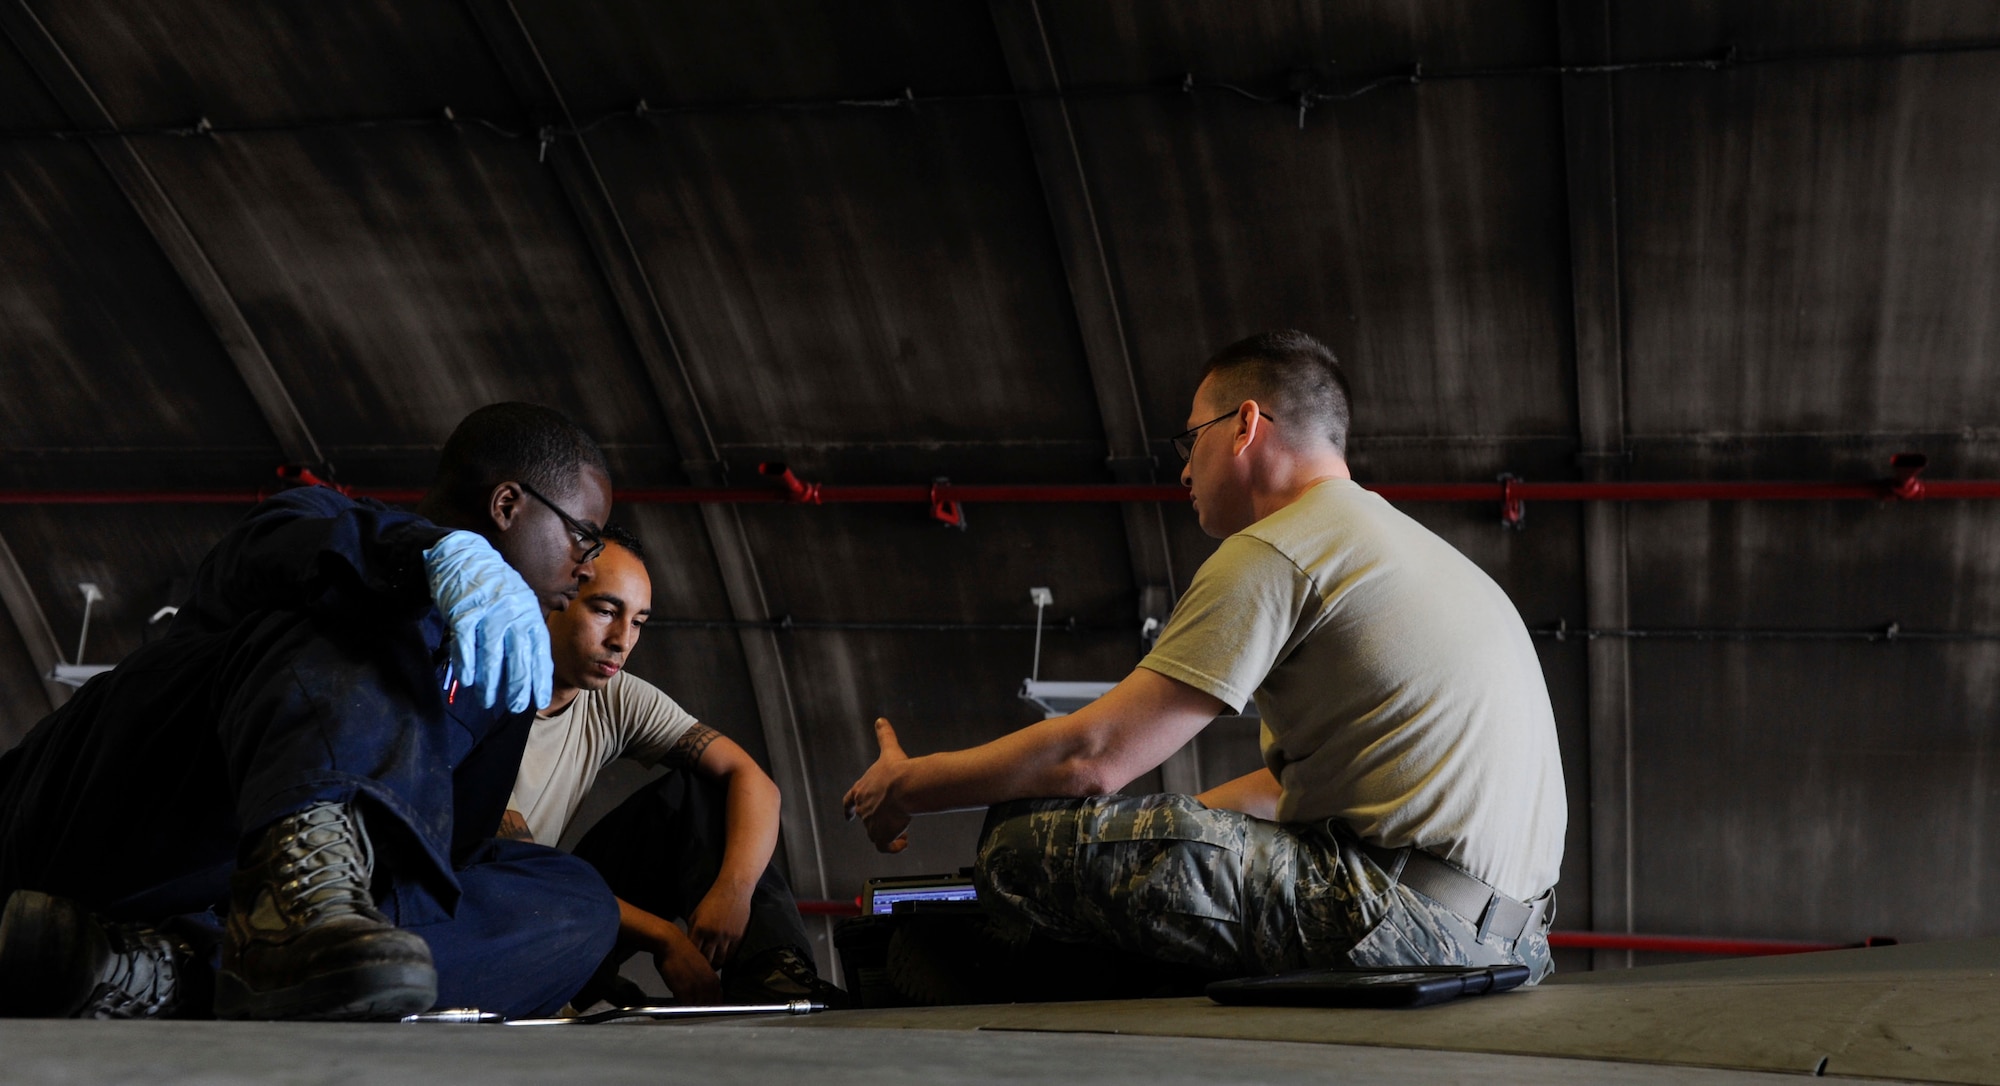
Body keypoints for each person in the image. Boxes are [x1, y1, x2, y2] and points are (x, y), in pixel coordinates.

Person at [844, 330, 1567, 983]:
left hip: (1404, 921)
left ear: (1245, 425)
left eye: (1190, 441)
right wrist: (1148, 835)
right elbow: (1281, 796)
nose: (1183, 471)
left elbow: (1091, 759)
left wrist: (911, 784)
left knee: (1021, 842)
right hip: (1519, 942)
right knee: (1128, 844)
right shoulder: (1404, 547)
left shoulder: (1280, 545)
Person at [0, 402, 620, 1020]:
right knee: (367, 602)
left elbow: (445, 864)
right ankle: (285, 926)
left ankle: (164, 970)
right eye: (584, 536)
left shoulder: (499, 683)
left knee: (576, 903)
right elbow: (255, 561)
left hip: (212, 902)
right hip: (111, 810)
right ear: (508, 504)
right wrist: (426, 556)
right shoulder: (327, 520)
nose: (587, 565)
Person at [498, 528, 845, 1007]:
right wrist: (666, 937)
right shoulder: (480, 697)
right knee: (537, 886)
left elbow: (754, 782)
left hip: (561, 899)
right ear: (553, 597)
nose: (622, 641)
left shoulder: (617, 696)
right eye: (604, 611)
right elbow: (520, 869)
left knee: (700, 792)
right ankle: (580, 986)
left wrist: (733, 891)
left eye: (638, 621)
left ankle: (772, 976)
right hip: (499, 907)